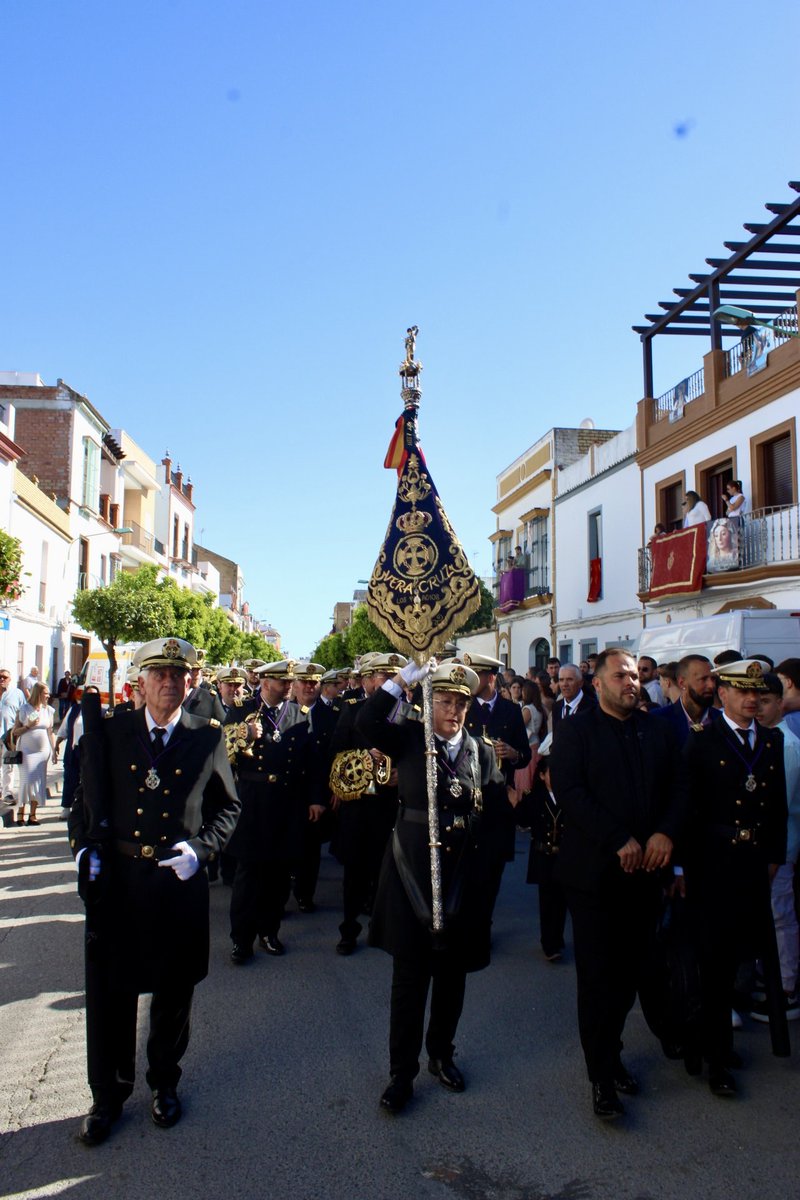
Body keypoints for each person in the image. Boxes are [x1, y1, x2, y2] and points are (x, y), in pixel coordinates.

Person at [67, 636, 240, 1145]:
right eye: (159, 674)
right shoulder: (112, 731)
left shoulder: (207, 737)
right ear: (140, 683)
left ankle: (165, 1081)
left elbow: (228, 808)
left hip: (175, 882)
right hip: (120, 882)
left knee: (173, 990)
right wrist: (83, 850)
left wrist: (201, 851)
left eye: (178, 675)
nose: (169, 682)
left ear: (190, 683)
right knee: (113, 993)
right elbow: (84, 801)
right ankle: (108, 1095)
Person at [356, 657, 508, 1113]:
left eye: (460, 703)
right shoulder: (409, 737)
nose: (453, 711)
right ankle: (401, 1073)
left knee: (452, 978)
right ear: (429, 702)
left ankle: (441, 1054)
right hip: (413, 876)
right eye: (444, 701)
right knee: (409, 980)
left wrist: (487, 880)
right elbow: (367, 722)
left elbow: (495, 813)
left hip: (463, 877)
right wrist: (404, 678)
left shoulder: (481, 751)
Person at [549, 648, 687, 1120]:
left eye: (634, 675)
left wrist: (666, 833)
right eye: (620, 676)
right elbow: (570, 793)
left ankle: (613, 1052)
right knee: (598, 979)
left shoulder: (657, 730)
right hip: (595, 878)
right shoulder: (576, 732)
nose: (631, 682)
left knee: (633, 974)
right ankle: (602, 1076)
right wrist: (616, 838)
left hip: (647, 875)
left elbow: (679, 789)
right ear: (598, 684)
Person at [682, 658, 788, 1097]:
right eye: (742, 692)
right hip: (713, 863)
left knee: (744, 956)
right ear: (722, 693)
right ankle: (715, 1057)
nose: (751, 700)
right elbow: (689, 808)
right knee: (714, 961)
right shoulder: (703, 740)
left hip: (753, 863)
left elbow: (777, 805)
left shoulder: (771, 739)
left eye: (757, 693)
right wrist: (682, 867)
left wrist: (775, 856)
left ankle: (719, 1041)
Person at [225, 659, 316, 961]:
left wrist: (313, 798)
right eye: (282, 682)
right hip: (252, 799)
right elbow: (223, 752)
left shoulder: (299, 714)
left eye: (290, 682)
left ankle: (269, 931)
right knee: (248, 874)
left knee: (278, 875)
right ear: (265, 683)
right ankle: (241, 939)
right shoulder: (242, 709)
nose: (288, 687)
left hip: (286, 801)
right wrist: (244, 735)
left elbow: (310, 762)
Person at [749, 672, 800, 1024]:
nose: (758, 707)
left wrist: (772, 853)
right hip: (764, 845)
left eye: (766, 701)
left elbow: (778, 806)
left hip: (780, 846)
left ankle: (786, 988)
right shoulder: (765, 739)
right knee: (767, 914)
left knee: (781, 916)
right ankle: (770, 976)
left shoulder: (787, 745)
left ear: (781, 703)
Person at [517, 733, 567, 962]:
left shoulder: (569, 797)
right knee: (547, 901)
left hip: (564, 857)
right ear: (542, 775)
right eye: (551, 773)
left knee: (562, 901)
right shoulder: (536, 797)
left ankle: (558, 937)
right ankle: (549, 944)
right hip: (543, 856)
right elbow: (523, 819)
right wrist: (515, 805)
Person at [12, 682, 57, 825]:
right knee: (26, 781)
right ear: (38, 693)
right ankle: (20, 812)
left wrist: (54, 750)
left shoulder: (48, 710)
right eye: (46, 693)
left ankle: (32, 814)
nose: (48, 696)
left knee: (38, 781)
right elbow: (15, 732)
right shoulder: (24, 709)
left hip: (43, 752)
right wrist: (28, 726)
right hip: (27, 751)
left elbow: (50, 731)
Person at [0, 667, 25, 826]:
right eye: (0, 677)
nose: (2, 679)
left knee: (8, 765)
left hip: (8, 734)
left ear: (10, 679)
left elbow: (24, 711)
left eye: (4, 677)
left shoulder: (17, 694)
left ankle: (7, 792)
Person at [551, 663, 597, 732]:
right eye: (561, 680)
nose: (565, 684)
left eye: (569, 679)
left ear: (580, 683)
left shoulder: (593, 707)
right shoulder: (556, 706)